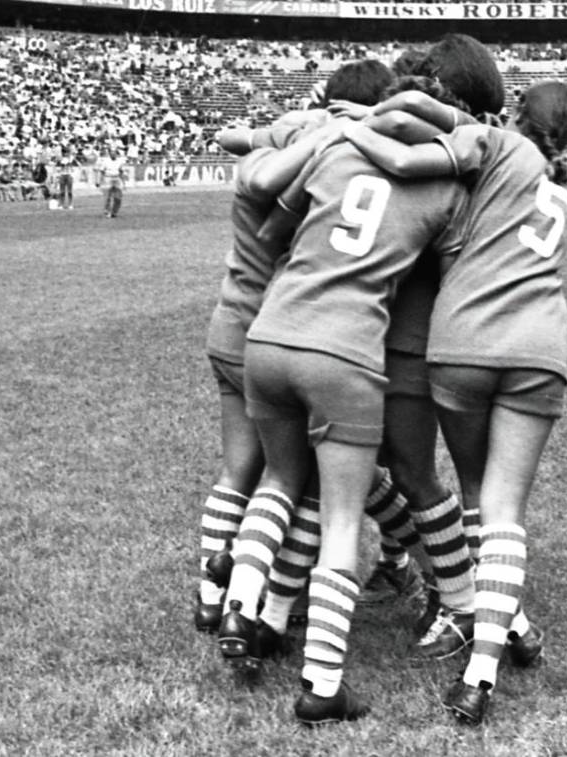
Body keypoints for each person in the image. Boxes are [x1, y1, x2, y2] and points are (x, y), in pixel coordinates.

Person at [224, 76, 472, 727]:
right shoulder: (444, 187)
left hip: (269, 338)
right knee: (339, 519)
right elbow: (456, 272)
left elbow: (274, 226)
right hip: (345, 354)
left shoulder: (335, 152)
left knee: (281, 479)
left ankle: (246, 608)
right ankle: (323, 683)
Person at [336, 81, 567, 727]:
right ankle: (492, 660)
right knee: (505, 511)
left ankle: (495, 628)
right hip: (541, 346)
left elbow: (423, 118)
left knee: (475, 494)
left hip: (464, 341)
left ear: (519, 114)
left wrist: (356, 118)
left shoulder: (495, 143)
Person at [194, 60, 400, 649]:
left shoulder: (288, 138)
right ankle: (269, 603)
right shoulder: (334, 163)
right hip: (294, 329)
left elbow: (234, 142)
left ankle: (217, 597)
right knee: (308, 480)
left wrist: (294, 127)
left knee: (241, 473)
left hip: (232, 325)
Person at [97, 150, 127, 218]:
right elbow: (101, 171)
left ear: (116, 154)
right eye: (111, 154)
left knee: (118, 198)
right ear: (109, 154)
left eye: (114, 154)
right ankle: (107, 211)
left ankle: (114, 212)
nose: (113, 155)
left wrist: (124, 183)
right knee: (107, 197)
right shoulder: (105, 161)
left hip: (117, 178)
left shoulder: (120, 161)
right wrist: (99, 181)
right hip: (108, 178)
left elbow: (121, 172)